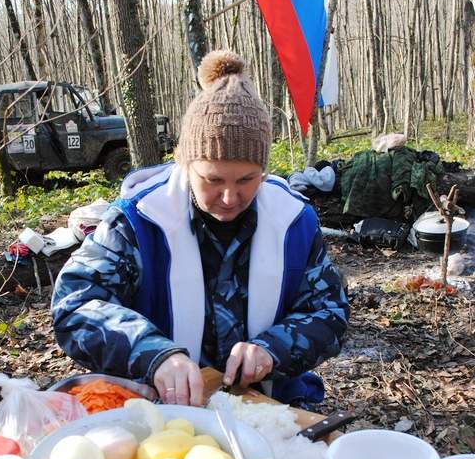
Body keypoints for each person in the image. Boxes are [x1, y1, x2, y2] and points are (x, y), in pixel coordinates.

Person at [51, 50, 349, 407]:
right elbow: (76, 303)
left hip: (266, 406)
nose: (229, 197)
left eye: (246, 179)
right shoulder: (138, 221)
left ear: (264, 172)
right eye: (212, 179)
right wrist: (151, 352)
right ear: (186, 165)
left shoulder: (294, 223)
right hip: (158, 408)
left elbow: (328, 311)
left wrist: (274, 349)